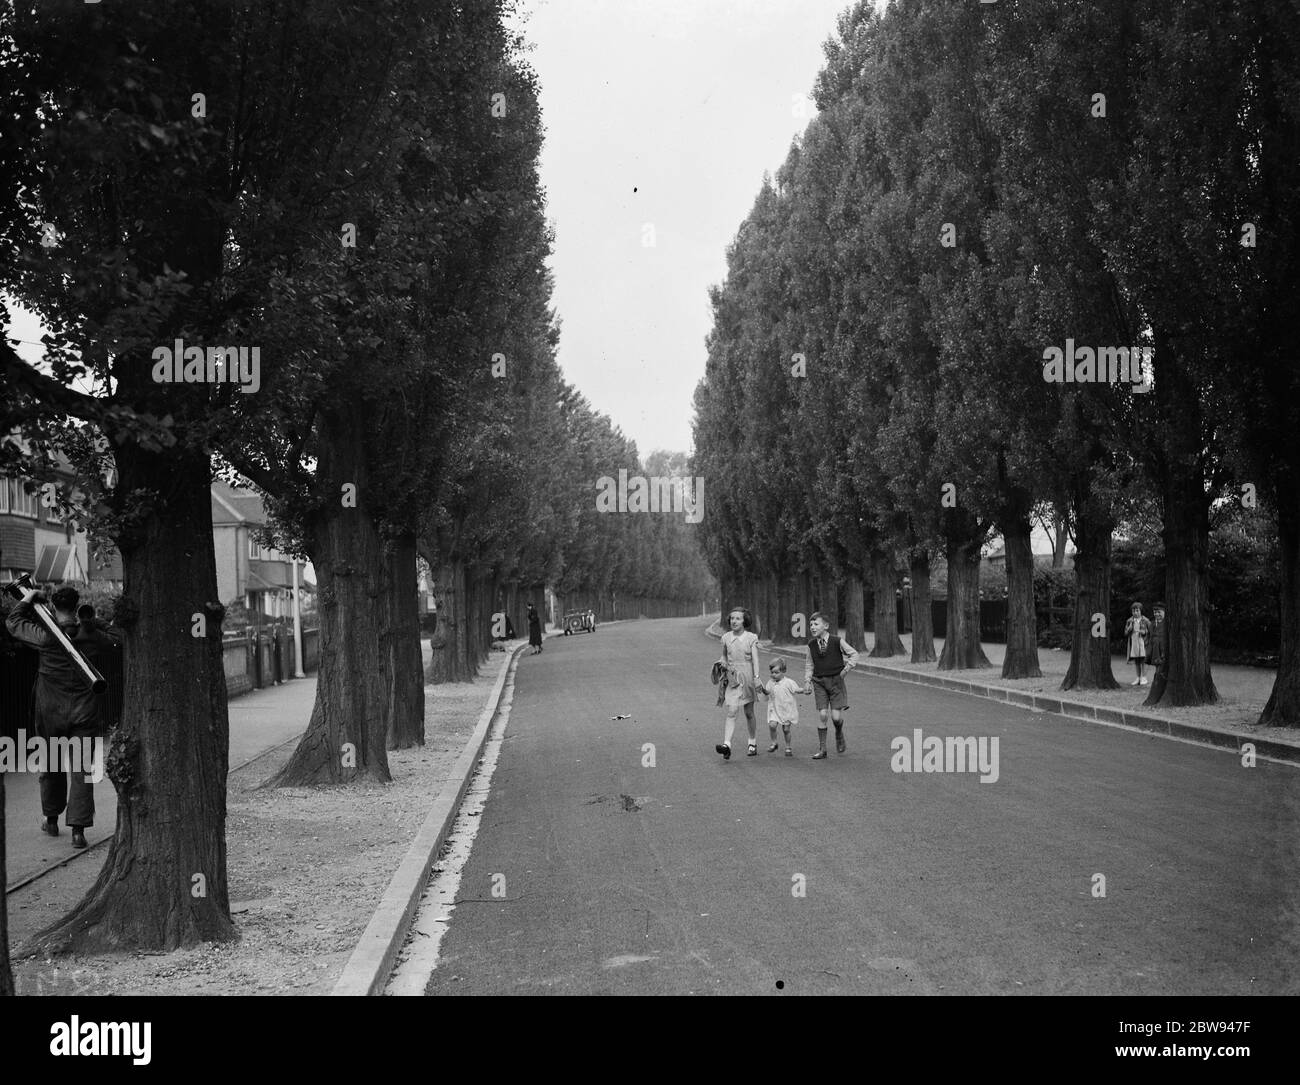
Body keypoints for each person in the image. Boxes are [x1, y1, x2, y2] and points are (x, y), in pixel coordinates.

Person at [5, 585, 122, 849]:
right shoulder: (90, 635)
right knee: (82, 770)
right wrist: (91, 622)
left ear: (54, 607)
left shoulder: (46, 636)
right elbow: (118, 637)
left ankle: (52, 819)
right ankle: (78, 831)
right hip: (84, 711)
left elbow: (13, 623)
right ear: (76, 604)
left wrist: (27, 599)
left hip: (50, 712)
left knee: (52, 765)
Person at [803, 611, 858, 760]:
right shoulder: (811, 645)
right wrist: (807, 681)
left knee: (835, 717)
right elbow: (809, 664)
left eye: (816, 624)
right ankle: (822, 749)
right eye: (811, 625)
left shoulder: (837, 641)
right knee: (822, 714)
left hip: (836, 682)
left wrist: (846, 669)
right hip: (819, 682)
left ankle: (839, 732)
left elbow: (854, 654)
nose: (813, 627)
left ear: (826, 626)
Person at [714, 607, 760, 759]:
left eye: (738, 618)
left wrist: (757, 677)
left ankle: (752, 742)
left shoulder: (751, 638)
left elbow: (755, 660)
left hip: (747, 677)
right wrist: (721, 663)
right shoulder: (726, 638)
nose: (734, 621)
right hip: (732, 678)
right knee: (732, 710)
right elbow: (724, 656)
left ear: (744, 620)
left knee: (748, 712)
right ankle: (727, 745)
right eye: (732, 618)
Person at [756, 657, 803, 757]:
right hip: (774, 709)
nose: (773, 675)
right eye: (772, 672)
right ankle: (774, 743)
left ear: (783, 671)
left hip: (786, 710)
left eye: (776, 672)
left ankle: (788, 747)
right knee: (772, 725)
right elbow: (767, 692)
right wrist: (763, 690)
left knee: (786, 729)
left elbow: (796, 689)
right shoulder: (770, 682)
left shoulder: (789, 682)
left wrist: (804, 690)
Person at [1124, 601, 1151, 686]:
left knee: (1144, 660)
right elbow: (1125, 633)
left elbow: (1151, 632)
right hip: (1134, 643)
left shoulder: (1146, 620)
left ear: (1140, 611)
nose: (1135, 613)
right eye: (1133, 611)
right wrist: (1129, 629)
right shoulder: (1129, 621)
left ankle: (1144, 677)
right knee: (1137, 661)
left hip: (1143, 643)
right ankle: (1138, 677)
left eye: (1137, 611)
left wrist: (1144, 632)